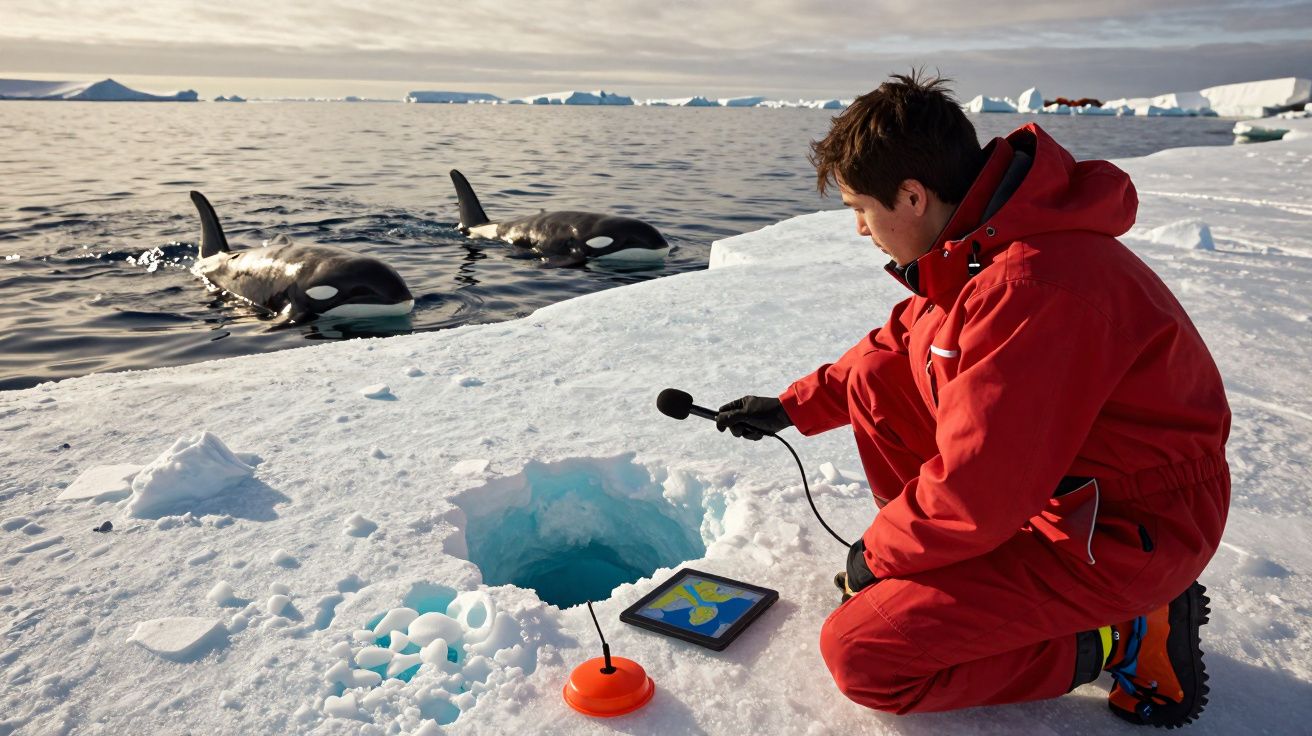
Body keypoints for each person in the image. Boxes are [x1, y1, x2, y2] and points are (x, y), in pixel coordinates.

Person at [715, 72, 1230, 728]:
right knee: (878, 377)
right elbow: (891, 350)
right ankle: (940, 574)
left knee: (864, 655)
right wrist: (792, 407)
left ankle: (1125, 635)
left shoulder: (1028, 289)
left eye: (859, 211)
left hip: (1128, 530)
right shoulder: (978, 247)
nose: (860, 231)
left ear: (910, 196)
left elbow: (978, 491)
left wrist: (878, 553)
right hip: (1071, 498)